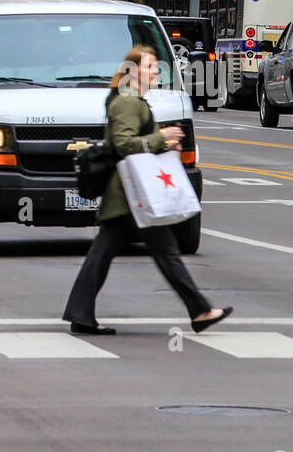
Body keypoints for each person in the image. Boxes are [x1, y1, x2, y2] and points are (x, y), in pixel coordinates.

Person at [63, 45, 232, 337]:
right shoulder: (128, 101)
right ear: (133, 70)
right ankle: (200, 310)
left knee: (105, 254)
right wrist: (160, 137)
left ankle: (81, 314)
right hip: (133, 193)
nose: (156, 71)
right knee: (166, 253)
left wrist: (165, 143)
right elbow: (123, 144)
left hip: (127, 193)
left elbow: (133, 142)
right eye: (151, 66)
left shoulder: (132, 98)